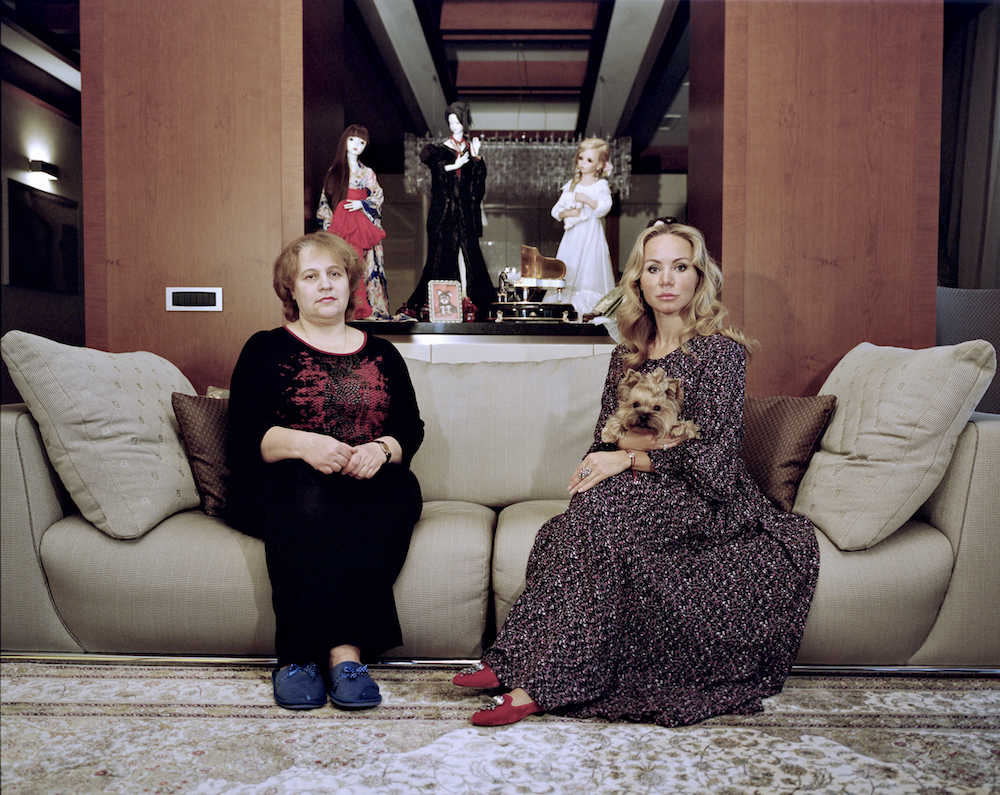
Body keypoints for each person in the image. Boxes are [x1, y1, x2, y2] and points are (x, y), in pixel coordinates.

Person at [453, 222, 820, 727]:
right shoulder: (626, 356)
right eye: (654, 268)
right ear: (638, 281)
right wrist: (619, 455)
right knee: (571, 525)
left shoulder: (720, 353)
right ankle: (515, 663)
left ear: (699, 278)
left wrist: (630, 455)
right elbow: (605, 440)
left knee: (600, 518)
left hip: (707, 499)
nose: (667, 279)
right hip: (644, 487)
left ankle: (534, 684)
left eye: (680, 267)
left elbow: (715, 462)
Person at [227, 231, 424, 711]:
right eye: (310, 276)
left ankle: (343, 656)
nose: (325, 284)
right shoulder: (264, 348)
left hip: (364, 483)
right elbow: (244, 433)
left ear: (350, 283)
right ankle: (299, 657)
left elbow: (410, 427)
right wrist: (304, 444)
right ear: (291, 290)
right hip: (284, 486)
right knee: (310, 492)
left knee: (398, 489)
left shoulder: (383, 353)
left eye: (335, 274)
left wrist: (382, 449)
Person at [404, 101, 495, 320]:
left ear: (464, 123)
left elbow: (477, 186)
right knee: (440, 253)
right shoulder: (439, 149)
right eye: (451, 122)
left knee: (469, 254)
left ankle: (469, 298)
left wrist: (477, 160)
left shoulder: (471, 148)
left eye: (457, 122)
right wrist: (456, 165)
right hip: (444, 210)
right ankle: (435, 301)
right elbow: (437, 175)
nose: (454, 126)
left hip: (464, 211)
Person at [317, 125, 390, 320]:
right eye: (352, 140)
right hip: (341, 226)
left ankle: (368, 308)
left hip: (361, 225)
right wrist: (328, 233)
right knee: (342, 265)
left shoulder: (367, 173)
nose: (356, 145)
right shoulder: (334, 173)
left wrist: (362, 204)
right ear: (344, 141)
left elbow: (377, 198)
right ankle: (342, 308)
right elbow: (325, 205)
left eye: (361, 142)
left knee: (365, 265)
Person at [546, 138, 615, 315]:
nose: (583, 163)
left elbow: (604, 207)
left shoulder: (600, 185)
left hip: (591, 232)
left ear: (600, 164)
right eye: (581, 158)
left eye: (589, 160)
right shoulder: (572, 185)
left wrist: (587, 200)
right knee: (569, 267)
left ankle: (588, 311)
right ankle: (563, 309)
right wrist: (569, 213)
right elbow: (556, 211)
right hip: (573, 235)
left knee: (590, 270)